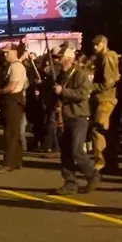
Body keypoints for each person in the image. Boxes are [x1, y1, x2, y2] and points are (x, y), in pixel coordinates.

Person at [52, 47, 99, 194]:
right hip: (64, 116)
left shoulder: (80, 74)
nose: (58, 61)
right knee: (65, 151)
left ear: (69, 59)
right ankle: (70, 182)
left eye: (60, 58)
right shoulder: (61, 75)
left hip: (78, 116)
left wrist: (63, 91)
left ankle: (92, 174)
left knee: (76, 149)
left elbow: (83, 94)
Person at [0, 42, 28, 173]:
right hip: (11, 102)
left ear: (15, 52)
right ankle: (17, 161)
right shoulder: (11, 66)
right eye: (4, 52)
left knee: (10, 134)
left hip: (13, 102)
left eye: (7, 52)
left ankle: (8, 163)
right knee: (14, 133)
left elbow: (11, 87)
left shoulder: (16, 67)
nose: (5, 55)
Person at [90, 35, 120, 171]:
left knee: (98, 130)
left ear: (103, 43)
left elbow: (108, 82)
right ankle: (110, 161)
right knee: (107, 132)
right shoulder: (106, 57)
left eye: (97, 44)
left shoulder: (107, 57)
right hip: (106, 98)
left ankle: (100, 162)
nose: (95, 47)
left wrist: (92, 87)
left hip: (105, 99)